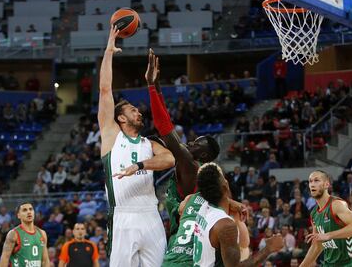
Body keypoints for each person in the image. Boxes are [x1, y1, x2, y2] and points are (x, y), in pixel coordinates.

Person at [98, 26, 175, 266]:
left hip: (151, 214)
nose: (139, 112)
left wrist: (139, 165)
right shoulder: (112, 136)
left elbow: (170, 159)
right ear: (121, 118)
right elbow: (104, 90)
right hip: (123, 216)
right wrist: (109, 51)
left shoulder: (149, 143)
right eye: (133, 110)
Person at [145, 49, 221, 265]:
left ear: (204, 154)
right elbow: (168, 123)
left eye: (196, 143)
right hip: (182, 236)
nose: (190, 142)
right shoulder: (189, 162)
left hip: (186, 243)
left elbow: (163, 127)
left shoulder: (190, 165)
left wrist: (150, 87)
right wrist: (157, 85)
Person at [193, 162, 284, 266]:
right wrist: (268, 249)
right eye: (224, 178)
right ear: (225, 186)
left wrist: (233, 203)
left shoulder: (201, 208)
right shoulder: (225, 225)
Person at [299, 170, 352, 267]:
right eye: (310, 181)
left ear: (326, 184)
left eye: (316, 180)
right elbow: (317, 245)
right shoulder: (314, 213)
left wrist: (328, 235)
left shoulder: (336, 204)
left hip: (349, 263)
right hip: (329, 264)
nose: (312, 184)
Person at [0, 202, 50, 267]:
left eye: (31, 209)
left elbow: (45, 260)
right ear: (18, 215)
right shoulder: (13, 234)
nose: (29, 212)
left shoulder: (42, 233)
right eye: (25, 210)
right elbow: (5, 258)